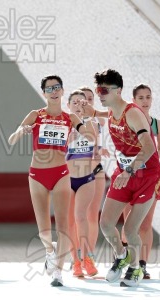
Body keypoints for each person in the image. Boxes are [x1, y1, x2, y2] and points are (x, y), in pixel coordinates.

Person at [8, 75, 95, 287]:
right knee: (44, 229)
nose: (54, 91)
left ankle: (58, 271)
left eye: (57, 87)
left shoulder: (70, 118)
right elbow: (11, 139)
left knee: (63, 225)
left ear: (62, 91)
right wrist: (22, 131)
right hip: (37, 174)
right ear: (44, 93)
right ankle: (49, 250)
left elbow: (90, 138)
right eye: (49, 89)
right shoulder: (35, 115)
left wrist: (87, 122)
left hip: (61, 173)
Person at [82, 69, 160, 287]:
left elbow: (148, 148)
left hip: (147, 174)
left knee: (130, 229)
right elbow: (104, 114)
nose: (100, 93)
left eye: (103, 90)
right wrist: (92, 112)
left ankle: (136, 268)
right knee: (106, 224)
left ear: (118, 91)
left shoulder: (133, 114)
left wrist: (129, 172)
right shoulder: (111, 110)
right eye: (98, 90)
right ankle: (121, 255)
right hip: (125, 172)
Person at [120, 84, 160, 279]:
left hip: (152, 176)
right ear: (133, 100)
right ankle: (126, 261)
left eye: (148, 97)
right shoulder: (127, 119)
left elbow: (159, 148)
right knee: (129, 224)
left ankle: (142, 265)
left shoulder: (157, 124)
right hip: (130, 173)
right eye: (141, 97)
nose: (145, 101)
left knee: (146, 224)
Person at [65, 90, 98, 277]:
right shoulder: (63, 124)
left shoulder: (91, 124)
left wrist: (85, 119)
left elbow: (94, 144)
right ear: (68, 105)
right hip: (66, 179)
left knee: (81, 217)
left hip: (86, 178)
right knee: (69, 222)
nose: (79, 105)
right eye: (75, 102)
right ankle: (75, 262)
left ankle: (87, 258)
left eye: (82, 102)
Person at [78, 86, 109, 264]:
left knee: (92, 216)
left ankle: (88, 256)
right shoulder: (71, 121)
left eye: (90, 98)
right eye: (84, 99)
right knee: (77, 217)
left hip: (96, 170)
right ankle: (77, 256)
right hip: (77, 173)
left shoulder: (99, 121)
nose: (87, 101)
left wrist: (99, 148)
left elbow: (96, 143)